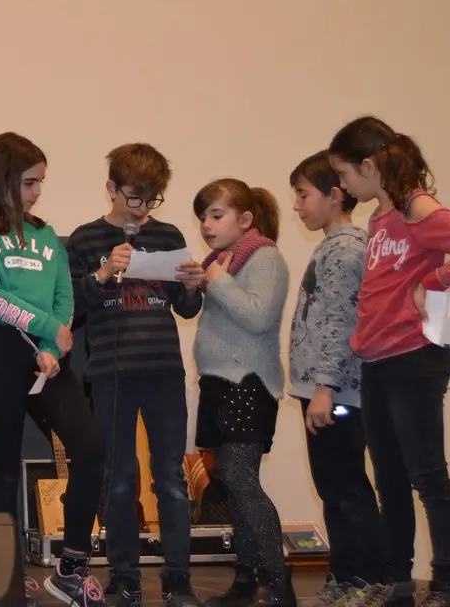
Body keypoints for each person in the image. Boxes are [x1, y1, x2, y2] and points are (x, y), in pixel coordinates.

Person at [0, 132, 105, 607]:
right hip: (0, 350)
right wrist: (46, 330)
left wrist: (51, 343)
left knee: (91, 450)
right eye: (29, 183)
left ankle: (72, 569)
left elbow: (64, 295)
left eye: (41, 182)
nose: (37, 192)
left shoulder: (45, 234)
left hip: (50, 354)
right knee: (2, 464)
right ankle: (4, 577)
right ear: (1, 179)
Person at [66, 144, 204, 607]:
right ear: (112, 188)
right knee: (120, 477)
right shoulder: (86, 239)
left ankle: (178, 580)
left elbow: (186, 309)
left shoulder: (167, 235)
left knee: (171, 478)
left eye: (151, 199)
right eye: (134, 197)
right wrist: (105, 271)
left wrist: (191, 287)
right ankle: (123, 577)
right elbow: (70, 308)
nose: (142, 208)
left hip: (163, 369)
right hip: (111, 373)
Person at [328, 116, 450, 607]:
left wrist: (433, 282)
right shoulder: (381, 218)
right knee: (389, 478)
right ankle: (398, 578)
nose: (342, 185)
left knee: (427, 475)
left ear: (368, 165)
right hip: (377, 360)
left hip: (414, 358)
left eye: (343, 173)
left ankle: (445, 581)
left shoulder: (420, 207)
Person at [288, 150, 384, 607]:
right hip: (322, 389)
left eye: (303, 195)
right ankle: (344, 577)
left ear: (334, 195)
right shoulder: (332, 245)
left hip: (336, 391)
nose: (297, 205)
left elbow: (341, 323)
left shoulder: (346, 249)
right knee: (333, 487)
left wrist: (324, 388)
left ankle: (365, 578)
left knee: (346, 487)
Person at [191, 178, 293, 607]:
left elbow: (258, 316)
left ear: (246, 219)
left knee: (239, 477)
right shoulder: (221, 263)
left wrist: (216, 281)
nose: (207, 225)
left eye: (217, 215)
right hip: (218, 382)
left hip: (248, 382)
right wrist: (203, 281)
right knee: (230, 482)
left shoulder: (265, 257)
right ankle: (246, 577)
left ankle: (279, 581)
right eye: (203, 217)